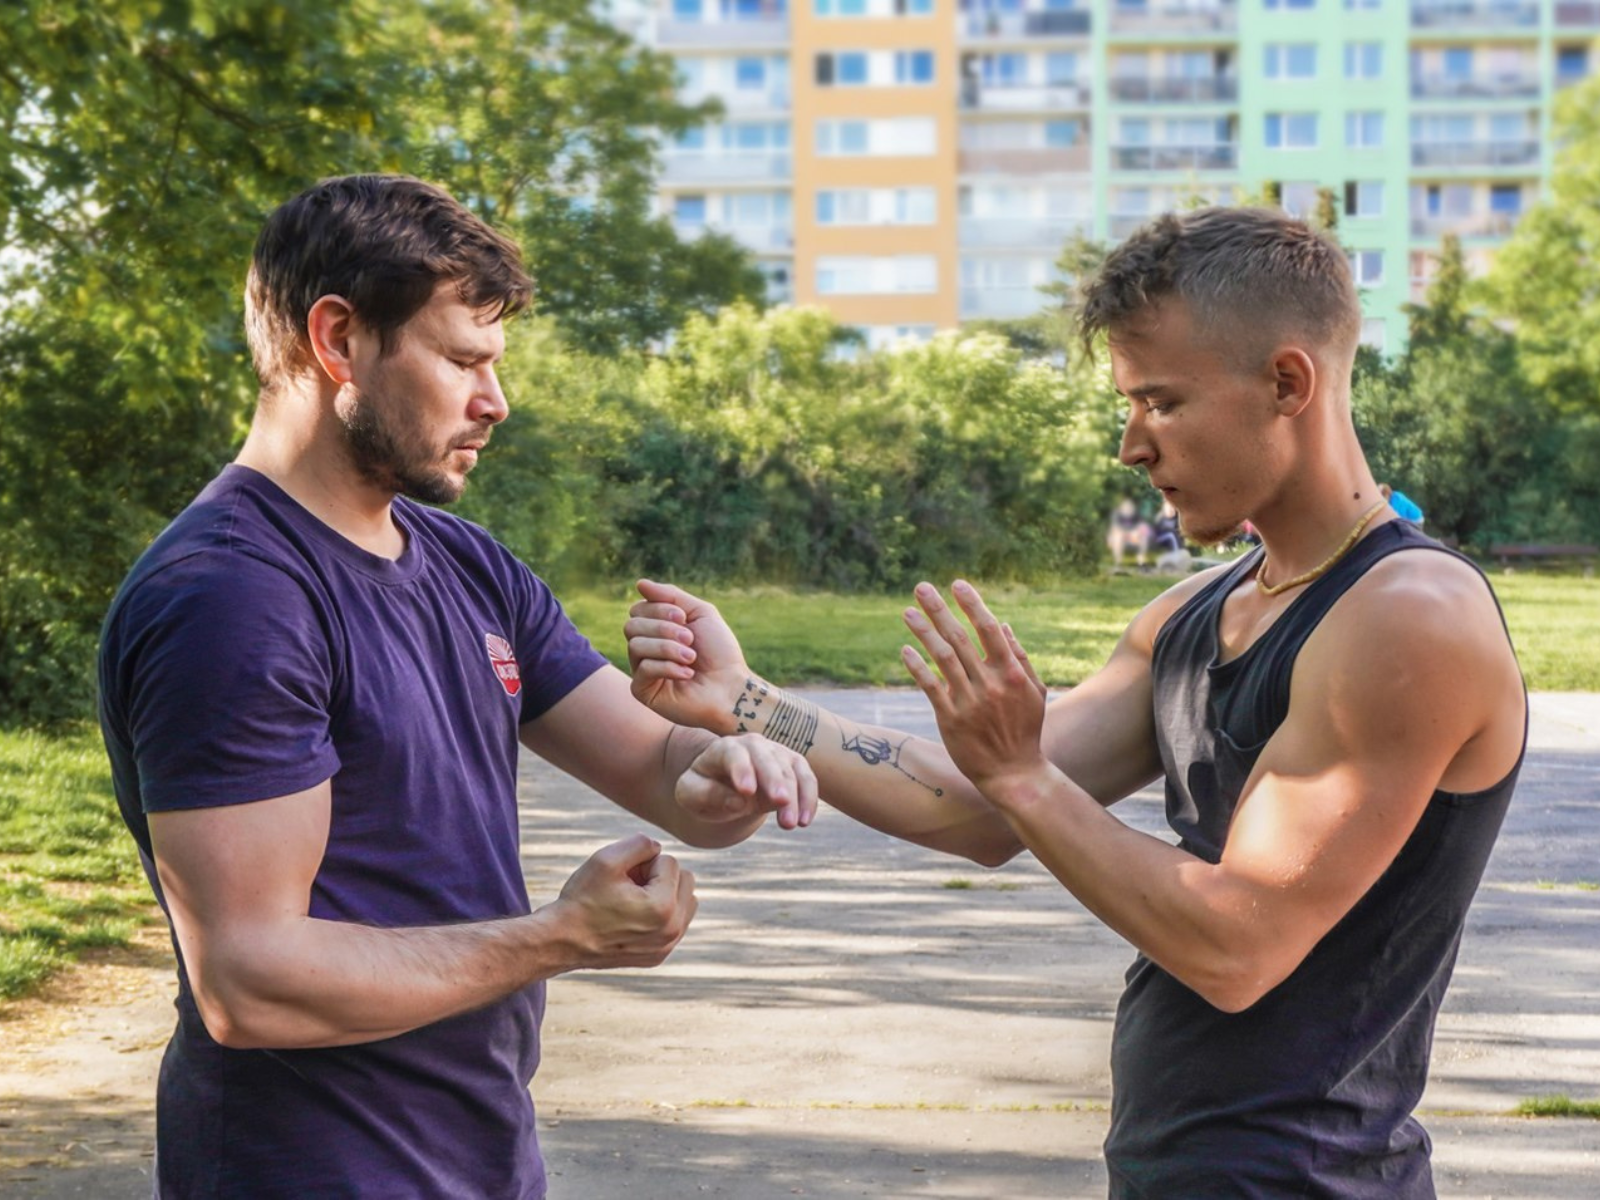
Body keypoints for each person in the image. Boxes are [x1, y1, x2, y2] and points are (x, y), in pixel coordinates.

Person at [625, 207, 1526, 1197]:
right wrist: (746, 701)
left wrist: (1020, 774)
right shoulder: (1196, 611)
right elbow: (972, 807)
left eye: (1160, 402)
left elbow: (1237, 946)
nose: (1129, 446)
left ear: (1287, 383)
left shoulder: (1407, 618)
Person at [97, 174, 817, 1199]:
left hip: (477, 1151)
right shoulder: (232, 597)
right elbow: (250, 984)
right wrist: (565, 937)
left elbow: (662, 767)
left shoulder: (465, 565)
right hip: (310, 1171)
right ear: (337, 340)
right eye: (464, 360)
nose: (496, 400)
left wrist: (730, 767)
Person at [1106, 496, 1151, 567]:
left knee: (1143, 537)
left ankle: (1141, 561)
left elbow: (1142, 526)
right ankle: (1118, 563)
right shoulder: (1116, 515)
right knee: (1118, 536)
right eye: (1126, 507)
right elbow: (1116, 529)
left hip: (1132, 539)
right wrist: (1130, 533)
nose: (1128, 509)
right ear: (1122, 507)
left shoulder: (1136, 515)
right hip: (1119, 539)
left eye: (1130, 507)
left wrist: (1137, 532)